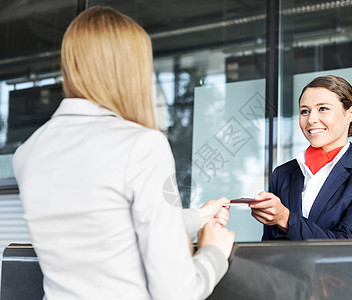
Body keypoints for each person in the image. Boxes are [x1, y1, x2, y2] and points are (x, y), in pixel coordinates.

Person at [13, 6, 234, 300]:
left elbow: (105, 230)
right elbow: (176, 293)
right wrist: (213, 253)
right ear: (129, 70)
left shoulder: (28, 152)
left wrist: (199, 216)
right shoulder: (141, 146)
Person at [250, 75, 352, 240]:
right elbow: (269, 244)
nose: (311, 119)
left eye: (323, 108)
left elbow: (349, 243)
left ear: (350, 114)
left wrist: (285, 219)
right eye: (305, 111)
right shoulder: (283, 174)